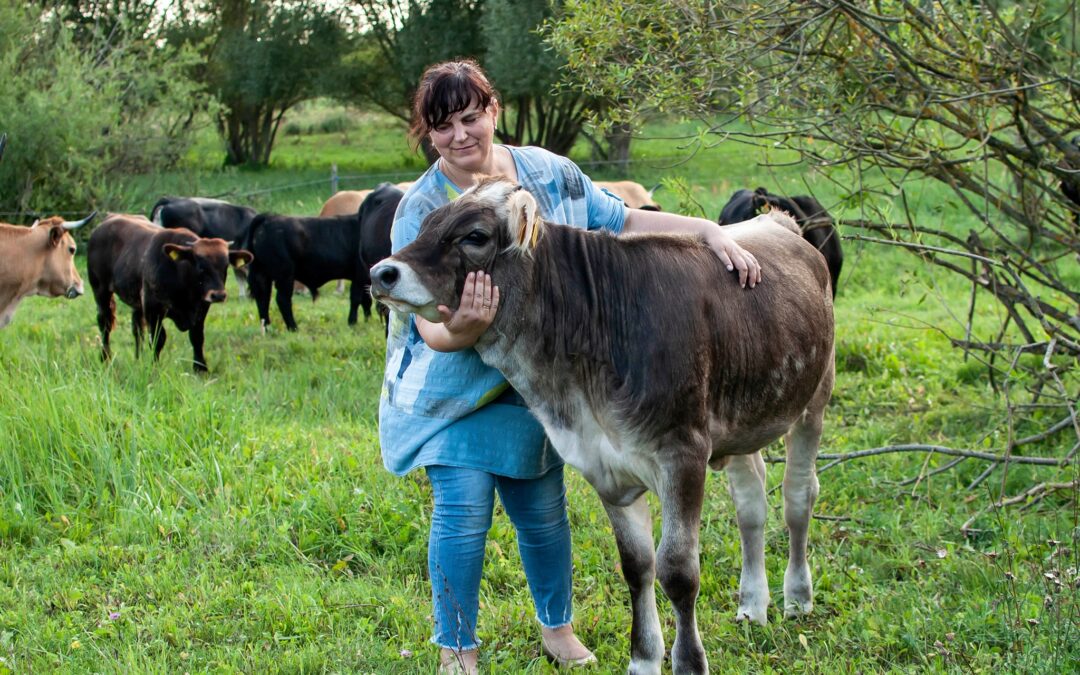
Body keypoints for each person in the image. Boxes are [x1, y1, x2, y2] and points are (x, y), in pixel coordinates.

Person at [378, 59, 761, 674]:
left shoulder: (544, 173)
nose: (459, 136)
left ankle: (557, 628)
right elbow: (426, 330)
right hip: (451, 390)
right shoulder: (421, 207)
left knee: (540, 510)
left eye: (470, 118)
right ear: (428, 134)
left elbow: (622, 219)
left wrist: (708, 233)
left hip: (543, 379)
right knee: (464, 505)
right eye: (441, 126)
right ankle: (456, 648)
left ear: (493, 112)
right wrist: (465, 324)